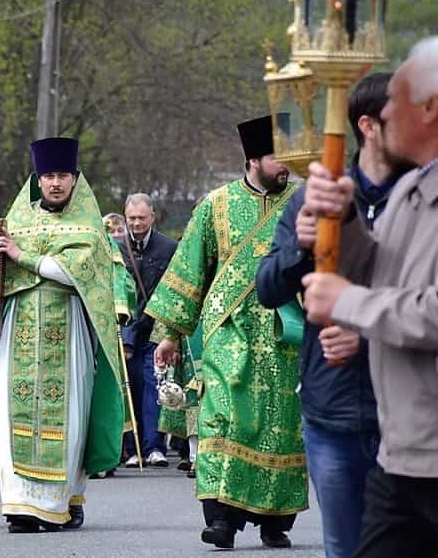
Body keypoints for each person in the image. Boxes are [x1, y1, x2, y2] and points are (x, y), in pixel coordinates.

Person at [256, 73, 409, 558]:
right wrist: (301, 248)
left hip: (406, 412)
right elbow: (267, 288)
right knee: (343, 547)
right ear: (368, 125)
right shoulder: (311, 199)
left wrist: (363, 337)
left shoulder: (421, 198)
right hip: (332, 408)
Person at [301, 37, 438, 557]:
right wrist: (341, 219)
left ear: (429, 109)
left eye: (394, 102)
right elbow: (378, 272)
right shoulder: (409, 190)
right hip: (402, 456)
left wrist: (347, 304)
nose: (382, 116)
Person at [150, 115, 306, 550]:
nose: (286, 166)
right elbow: (189, 271)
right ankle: (220, 519)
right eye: (278, 157)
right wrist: (169, 333)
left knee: (279, 427)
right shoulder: (214, 206)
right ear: (253, 159)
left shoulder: (303, 203)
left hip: (284, 336)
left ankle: (276, 521)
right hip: (227, 336)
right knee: (223, 423)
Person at [0, 137, 125, 532]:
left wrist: (23, 257)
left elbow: (74, 273)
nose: (55, 183)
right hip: (17, 331)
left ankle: (59, 501)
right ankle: (17, 503)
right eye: (48, 175)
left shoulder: (88, 226)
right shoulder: (15, 223)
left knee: (69, 415)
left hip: (68, 334)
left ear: (74, 179)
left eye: (62, 175)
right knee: (8, 408)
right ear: (38, 179)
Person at [119, 193, 178, 468]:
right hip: (128, 331)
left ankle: (154, 447)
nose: (136, 223)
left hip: (157, 328)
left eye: (141, 217)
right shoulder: (116, 248)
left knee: (155, 384)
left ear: (152, 217)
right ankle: (132, 450)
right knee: (130, 387)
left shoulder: (169, 248)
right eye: (131, 218)